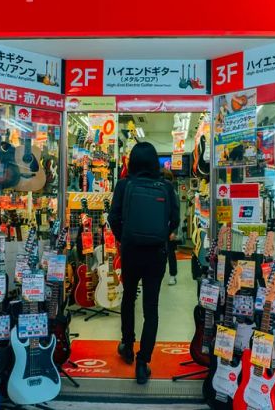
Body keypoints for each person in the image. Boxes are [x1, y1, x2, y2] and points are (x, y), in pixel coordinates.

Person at [108, 142, 180, 384]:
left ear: (132, 161)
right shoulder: (167, 188)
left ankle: (127, 345)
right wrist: (160, 236)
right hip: (156, 254)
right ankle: (143, 361)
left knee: (128, 298)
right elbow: (175, 221)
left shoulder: (124, 185)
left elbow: (113, 218)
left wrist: (124, 238)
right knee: (151, 307)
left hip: (131, 252)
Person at [161, 168, 179, 285]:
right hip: (159, 226)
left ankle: (173, 275)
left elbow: (176, 212)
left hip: (169, 227)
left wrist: (174, 230)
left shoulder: (173, 192)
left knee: (171, 253)